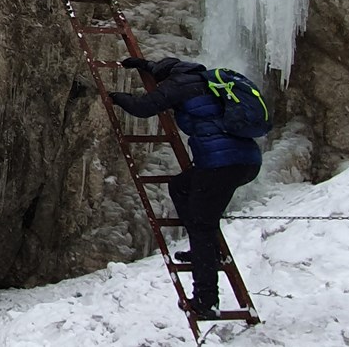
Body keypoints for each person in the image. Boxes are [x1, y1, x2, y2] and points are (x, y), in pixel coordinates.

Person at [107, 56, 262, 318]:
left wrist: (114, 96)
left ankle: (205, 300)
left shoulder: (178, 85)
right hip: (244, 161)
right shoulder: (205, 80)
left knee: (203, 225)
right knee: (180, 186)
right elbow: (159, 67)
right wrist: (143, 65)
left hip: (219, 164)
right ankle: (206, 250)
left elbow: (144, 107)